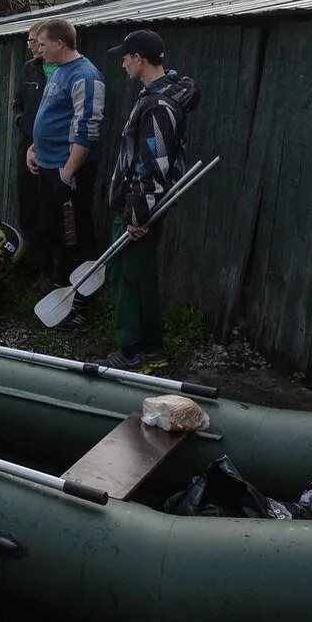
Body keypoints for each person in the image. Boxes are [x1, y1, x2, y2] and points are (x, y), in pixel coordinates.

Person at [102, 30, 200, 371]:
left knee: (126, 278)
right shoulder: (156, 96)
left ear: (140, 59)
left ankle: (131, 353)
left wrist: (137, 216)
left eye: (126, 57)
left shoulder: (159, 106)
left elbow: (154, 165)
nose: (123, 63)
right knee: (139, 276)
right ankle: (153, 351)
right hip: (141, 207)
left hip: (140, 208)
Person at [24, 17, 104, 283]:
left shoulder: (86, 76)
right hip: (47, 165)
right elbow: (53, 118)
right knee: (52, 229)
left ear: (59, 43)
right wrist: (34, 148)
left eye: (43, 44)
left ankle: (83, 293)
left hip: (67, 172)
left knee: (76, 234)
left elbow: (87, 130)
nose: (39, 49)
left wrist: (67, 174)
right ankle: (60, 282)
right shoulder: (58, 70)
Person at [11, 28, 53, 277]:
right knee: (26, 202)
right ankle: (30, 263)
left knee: (47, 205)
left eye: (34, 41)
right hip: (27, 143)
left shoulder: (62, 71)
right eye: (29, 41)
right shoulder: (29, 69)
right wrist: (22, 122)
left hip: (52, 147)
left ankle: (49, 268)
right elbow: (18, 102)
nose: (30, 46)